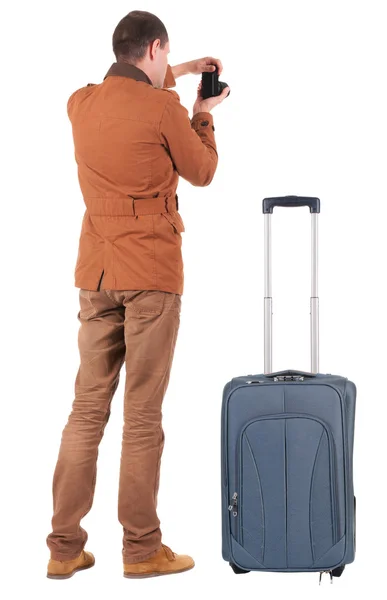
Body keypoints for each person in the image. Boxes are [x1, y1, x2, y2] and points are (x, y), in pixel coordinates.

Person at [46, 9, 229, 580]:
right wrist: (203, 114)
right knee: (143, 415)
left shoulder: (80, 101)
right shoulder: (164, 109)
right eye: (165, 55)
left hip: (96, 272)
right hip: (150, 272)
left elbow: (129, 88)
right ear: (154, 48)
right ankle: (142, 548)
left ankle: (63, 548)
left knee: (86, 410)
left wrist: (182, 69)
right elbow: (201, 172)